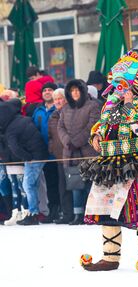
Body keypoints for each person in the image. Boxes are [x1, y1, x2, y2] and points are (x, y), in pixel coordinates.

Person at [80, 51, 138, 272]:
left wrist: (129, 107)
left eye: (123, 84)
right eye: (116, 84)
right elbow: (100, 125)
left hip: (134, 161)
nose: (119, 88)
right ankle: (110, 257)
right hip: (109, 163)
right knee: (106, 208)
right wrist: (96, 136)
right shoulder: (108, 106)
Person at [58, 79, 100, 225]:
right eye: (72, 90)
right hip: (70, 152)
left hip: (88, 151)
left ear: (83, 91)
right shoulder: (66, 108)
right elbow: (60, 127)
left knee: (90, 184)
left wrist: (76, 142)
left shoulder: (93, 105)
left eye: (77, 90)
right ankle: (78, 214)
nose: (75, 93)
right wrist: (67, 141)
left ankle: (91, 214)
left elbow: (92, 127)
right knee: (75, 184)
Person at [0, 99, 48, 225]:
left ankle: (33, 214)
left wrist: (27, 157)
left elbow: (14, 148)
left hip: (34, 157)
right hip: (39, 153)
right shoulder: (21, 119)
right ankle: (34, 212)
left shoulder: (10, 129)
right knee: (32, 185)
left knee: (28, 185)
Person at [32, 82, 60, 222]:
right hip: (42, 153)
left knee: (59, 183)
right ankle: (51, 210)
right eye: (45, 90)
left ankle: (59, 210)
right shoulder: (38, 110)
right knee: (48, 184)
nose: (47, 92)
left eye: (50, 90)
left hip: (58, 153)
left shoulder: (59, 108)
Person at [48, 88, 73, 224]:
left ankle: (73, 213)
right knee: (62, 186)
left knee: (72, 186)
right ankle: (66, 213)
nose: (57, 101)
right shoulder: (53, 115)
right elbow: (51, 136)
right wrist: (51, 148)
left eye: (60, 98)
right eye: (55, 99)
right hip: (58, 156)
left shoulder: (69, 112)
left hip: (70, 155)